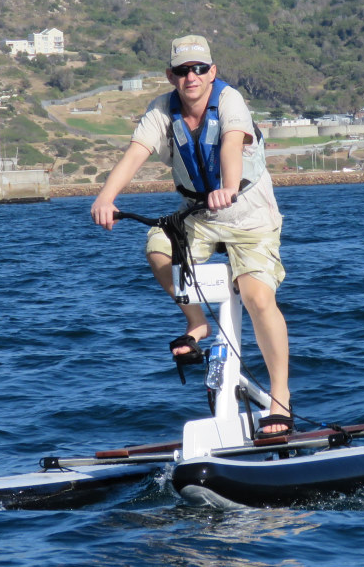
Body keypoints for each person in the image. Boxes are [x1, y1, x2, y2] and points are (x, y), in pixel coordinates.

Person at [90, 34, 293, 435]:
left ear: (212, 71)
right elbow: (135, 153)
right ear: (171, 76)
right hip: (199, 213)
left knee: (255, 295)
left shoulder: (229, 101)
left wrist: (228, 186)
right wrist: (105, 197)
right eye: (183, 71)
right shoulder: (162, 111)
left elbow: (232, 145)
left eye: (200, 69)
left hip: (249, 214)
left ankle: (281, 399)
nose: (192, 77)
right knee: (158, 246)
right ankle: (197, 323)